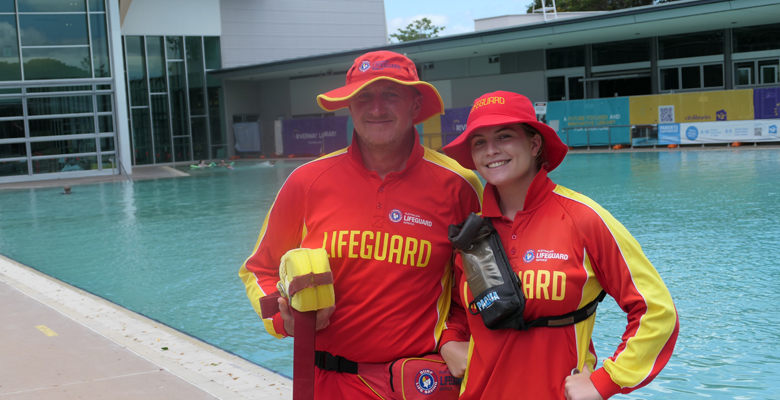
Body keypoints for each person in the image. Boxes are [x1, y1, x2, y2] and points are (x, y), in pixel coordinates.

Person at [239, 51, 482, 398]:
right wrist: (282, 319)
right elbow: (258, 269)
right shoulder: (307, 181)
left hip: (414, 385)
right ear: (350, 106)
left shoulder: (458, 185)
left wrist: (452, 338)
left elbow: (472, 287)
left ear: (415, 104)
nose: (377, 108)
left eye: (391, 94)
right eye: (364, 96)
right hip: (322, 382)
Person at [441, 91, 679, 400]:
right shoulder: (472, 233)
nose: (491, 151)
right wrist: (450, 338)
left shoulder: (585, 219)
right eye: (479, 142)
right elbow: (460, 307)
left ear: (534, 144)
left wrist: (606, 380)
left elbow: (656, 312)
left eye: (504, 136)